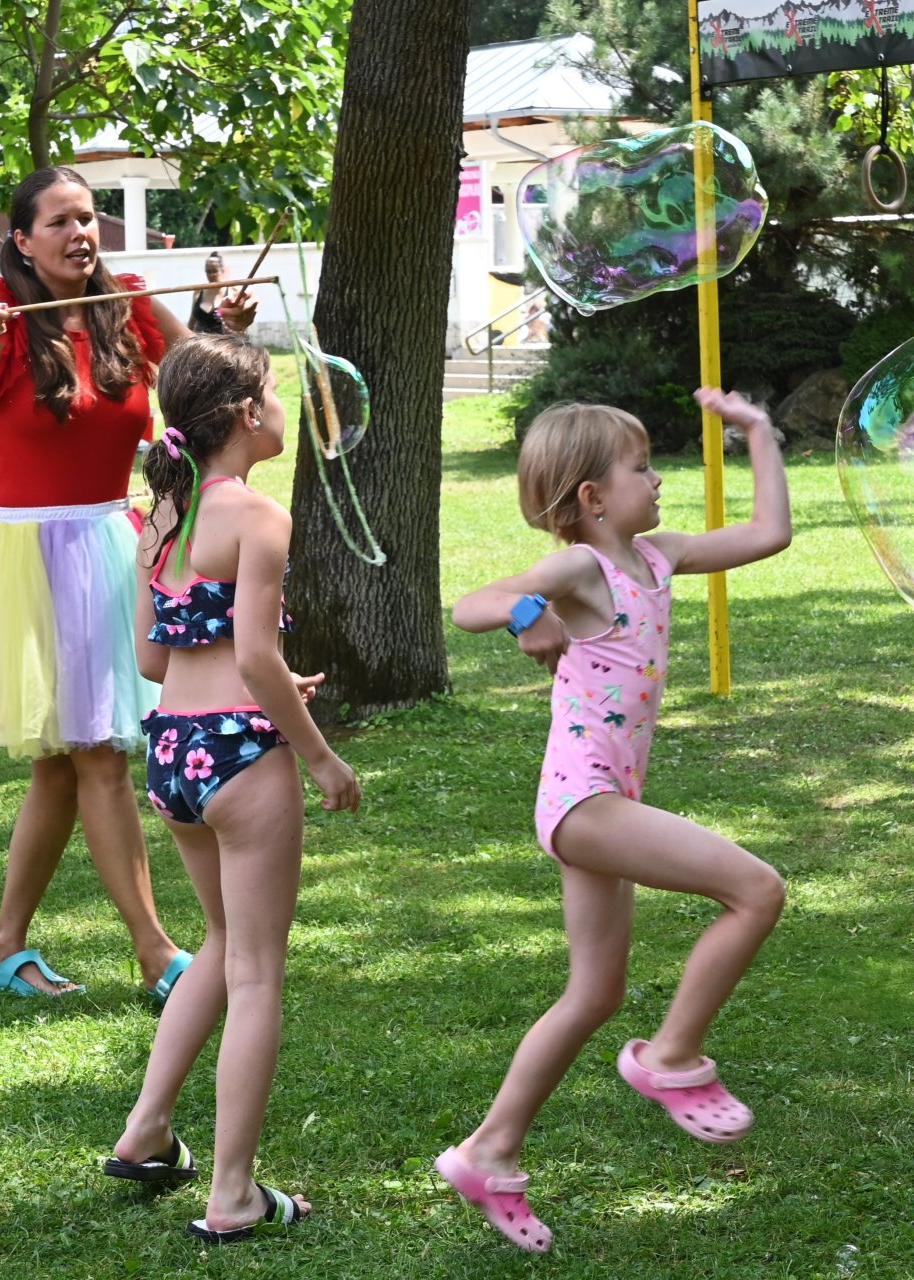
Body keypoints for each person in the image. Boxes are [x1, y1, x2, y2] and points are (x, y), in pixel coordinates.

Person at [0, 166, 257, 1002]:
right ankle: (159, 953)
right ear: (21, 238)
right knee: (97, 756)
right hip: (27, 557)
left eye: (87, 218)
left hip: (109, 541)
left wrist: (219, 325)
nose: (79, 233)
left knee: (64, 763)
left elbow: (202, 370)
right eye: (58, 221)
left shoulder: (122, 303)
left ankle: (4, 950)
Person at [435, 390, 793, 1252]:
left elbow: (766, 535)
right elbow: (473, 603)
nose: (657, 478)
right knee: (756, 890)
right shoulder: (581, 571)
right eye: (640, 468)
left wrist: (760, 435)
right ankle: (670, 1057)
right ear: (592, 498)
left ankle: (490, 1152)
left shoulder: (657, 556)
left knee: (595, 991)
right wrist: (527, 614)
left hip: (604, 800)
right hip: (584, 803)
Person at [102, 334, 359, 1244]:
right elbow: (253, 655)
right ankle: (233, 1192)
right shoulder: (257, 516)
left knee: (220, 941)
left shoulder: (163, 523)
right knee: (257, 971)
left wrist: (276, 685)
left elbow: (151, 657)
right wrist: (321, 756)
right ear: (248, 415)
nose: (286, 409)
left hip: (171, 748)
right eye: (277, 396)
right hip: (241, 756)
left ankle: (146, 1131)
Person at [188, 252, 230, 334]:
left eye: (215, 271)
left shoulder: (232, 292)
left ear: (222, 270)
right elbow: (191, 322)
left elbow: (240, 326)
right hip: (200, 342)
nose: (211, 275)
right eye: (208, 271)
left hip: (223, 343)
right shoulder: (198, 291)